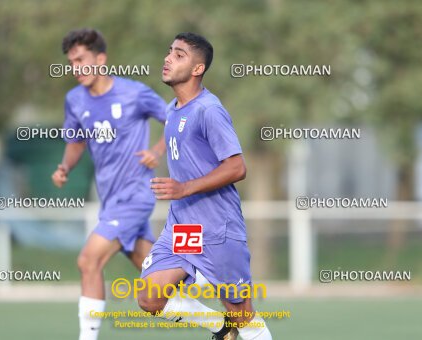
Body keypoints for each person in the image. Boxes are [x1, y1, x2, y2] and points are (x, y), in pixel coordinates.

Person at [137, 32, 273, 340]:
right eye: (169, 51)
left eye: (180, 55)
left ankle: (237, 325)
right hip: (184, 228)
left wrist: (184, 188)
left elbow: (237, 167)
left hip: (217, 228)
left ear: (198, 69)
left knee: (242, 313)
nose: (168, 58)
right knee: (149, 297)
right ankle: (222, 328)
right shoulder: (173, 109)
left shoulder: (209, 110)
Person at [51, 28, 166, 340]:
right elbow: (76, 142)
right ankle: (222, 324)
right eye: (71, 63)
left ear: (100, 59)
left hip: (136, 196)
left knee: (88, 260)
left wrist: (156, 151)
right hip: (111, 201)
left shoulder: (134, 93)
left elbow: (177, 118)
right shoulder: (74, 100)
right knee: (158, 285)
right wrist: (65, 167)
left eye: (81, 60)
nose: (76, 68)